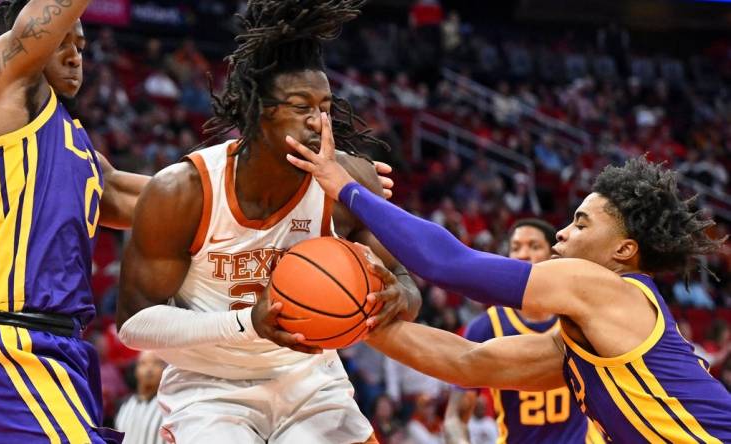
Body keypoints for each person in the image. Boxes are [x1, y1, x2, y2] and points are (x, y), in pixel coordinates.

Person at [286, 120, 731, 442]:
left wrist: (345, 187)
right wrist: (357, 319)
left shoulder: (604, 287)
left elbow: (450, 264)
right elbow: (468, 362)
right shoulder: (585, 345)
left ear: (623, 250)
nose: (562, 232)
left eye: (581, 224)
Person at [116, 1, 421, 443]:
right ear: (260, 110)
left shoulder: (350, 180)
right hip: (210, 390)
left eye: (326, 107)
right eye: (302, 107)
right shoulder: (182, 190)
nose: (320, 122)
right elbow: (134, 326)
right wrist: (247, 324)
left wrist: (402, 297)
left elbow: (403, 279)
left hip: (312, 382)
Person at [0, 1, 149, 441]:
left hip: (66, 350)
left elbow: (161, 200)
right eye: (62, 40)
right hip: (8, 341)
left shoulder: (79, 149)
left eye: (81, 44)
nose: (75, 53)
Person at [444, 219, 601, 444]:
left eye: (534, 246)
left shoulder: (578, 317)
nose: (523, 255)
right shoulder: (488, 326)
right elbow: (455, 418)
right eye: (515, 248)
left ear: (552, 257)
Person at [114, 352, 167, 444]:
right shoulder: (123, 404)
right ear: (135, 370)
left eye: (156, 363)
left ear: (165, 370)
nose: (149, 368)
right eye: (143, 363)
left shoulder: (171, 405)